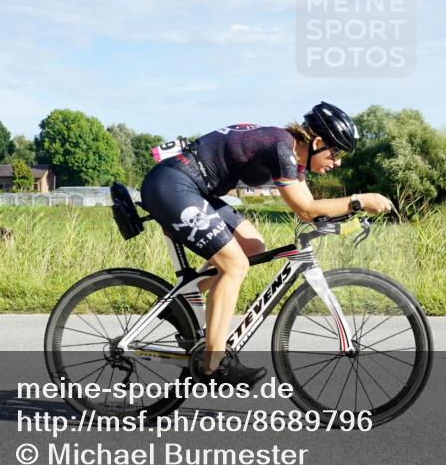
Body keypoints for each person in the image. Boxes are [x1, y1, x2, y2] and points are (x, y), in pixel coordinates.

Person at [139, 102, 393, 387]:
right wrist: (359, 200)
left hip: (191, 188)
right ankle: (213, 366)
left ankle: (182, 304)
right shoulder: (281, 148)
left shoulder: (290, 153)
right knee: (234, 266)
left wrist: (349, 214)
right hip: (173, 185)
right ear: (318, 143)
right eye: (336, 153)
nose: (338, 162)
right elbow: (306, 210)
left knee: (253, 246)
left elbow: (312, 207)